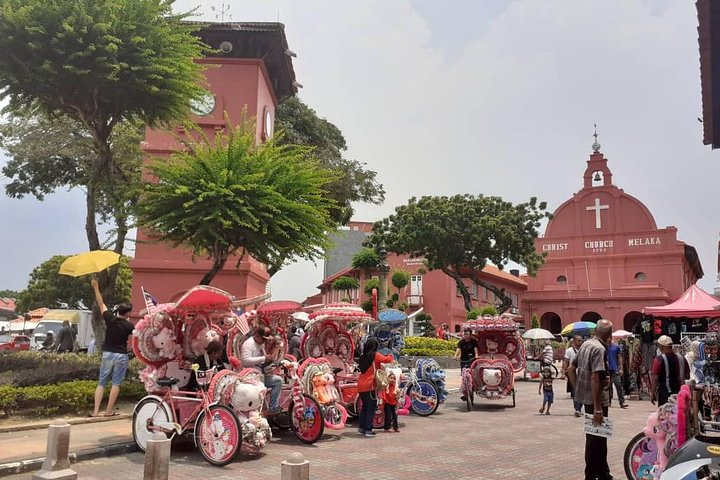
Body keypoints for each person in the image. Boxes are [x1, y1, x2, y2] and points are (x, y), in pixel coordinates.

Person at [568, 319, 613, 480]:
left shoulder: (586, 345)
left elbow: (571, 369)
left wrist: (577, 389)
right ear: (609, 334)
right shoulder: (599, 349)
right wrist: (597, 407)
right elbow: (595, 377)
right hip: (597, 400)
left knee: (598, 436)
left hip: (587, 398)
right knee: (596, 438)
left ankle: (603, 472)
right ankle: (592, 474)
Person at [90, 278, 135, 417]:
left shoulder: (110, 318)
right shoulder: (129, 326)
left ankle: (96, 411)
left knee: (102, 382)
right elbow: (137, 337)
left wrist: (96, 287)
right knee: (116, 383)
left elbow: (100, 302)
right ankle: (109, 411)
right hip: (121, 355)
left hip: (107, 353)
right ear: (127, 314)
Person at [240, 326, 283, 413]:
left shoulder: (260, 344)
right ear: (257, 336)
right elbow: (245, 361)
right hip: (251, 377)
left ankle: (273, 406)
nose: (264, 341)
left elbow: (265, 359)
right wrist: (263, 358)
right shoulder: (248, 344)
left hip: (260, 374)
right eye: (263, 339)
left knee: (278, 380)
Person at [357, 337, 393, 437]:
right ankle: (368, 430)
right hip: (370, 386)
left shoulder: (362, 356)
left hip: (361, 385)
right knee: (371, 408)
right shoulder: (374, 355)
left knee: (364, 407)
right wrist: (390, 352)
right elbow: (387, 360)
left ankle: (361, 428)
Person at [650, 335, 689, 407]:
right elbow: (687, 375)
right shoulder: (682, 358)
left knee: (665, 415)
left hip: (664, 393)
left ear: (661, 346)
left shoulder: (659, 359)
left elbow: (655, 378)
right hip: (680, 392)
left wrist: (653, 393)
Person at [563, 336, 584, 417]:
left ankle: (580, 407)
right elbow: (566, 361)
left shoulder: (583, 350)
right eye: (579, 340)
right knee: (575, 391)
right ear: (574, 341)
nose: (580, 342)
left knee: (582, 392)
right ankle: (577, 409)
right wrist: (563, 372)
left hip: (582, 374)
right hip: (573, 374)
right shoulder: (569, 351)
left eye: (581, 340)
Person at [608, 337, 627, 408]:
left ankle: (622, 402)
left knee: (618, 385)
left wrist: (621, 368)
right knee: (608, 386)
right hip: (606, 369)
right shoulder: (604, 347)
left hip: (615, 368)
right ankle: (608, 401)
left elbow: (620, 357)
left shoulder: (616, 347)